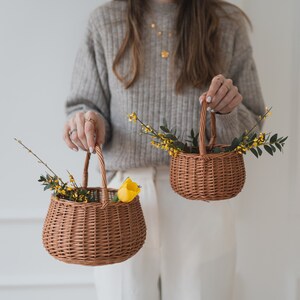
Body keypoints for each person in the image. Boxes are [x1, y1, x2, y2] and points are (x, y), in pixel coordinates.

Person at [63, 0, 265, 299]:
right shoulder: (105, 21)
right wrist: (88, 122)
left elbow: (254, 128)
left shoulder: (226, 22)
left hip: (203, 197)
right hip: (123, 199)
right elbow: (86, 106)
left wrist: (228, 111)